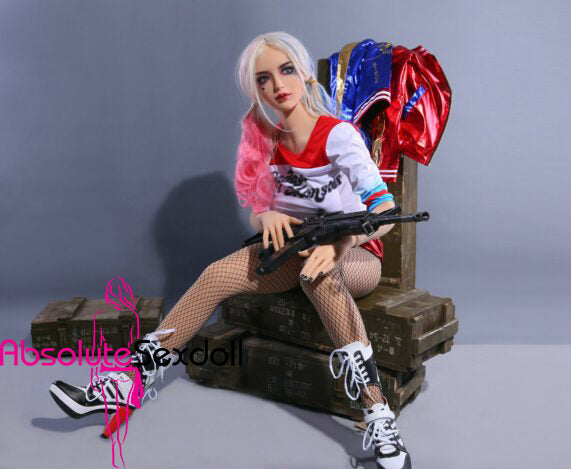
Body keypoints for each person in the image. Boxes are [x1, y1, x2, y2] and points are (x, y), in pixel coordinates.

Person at [49, 31, 411, 469]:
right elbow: (258, 204)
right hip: (292, 251)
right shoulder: (262, 137)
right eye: (263, 78)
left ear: (303, 74)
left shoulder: (338, 137)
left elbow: (385, 211)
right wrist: (266, 217)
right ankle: (127, 382)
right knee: (216, 274)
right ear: (254, 89)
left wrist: (341, 243)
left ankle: (377, 412)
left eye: (286, 70)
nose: (277, 84)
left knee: (319, 272)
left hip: (356, 256)